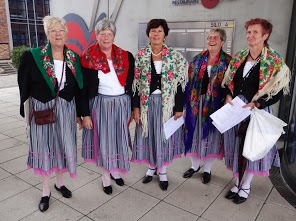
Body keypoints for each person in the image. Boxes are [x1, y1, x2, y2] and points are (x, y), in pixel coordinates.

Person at [18, 16, 83, 212]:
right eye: (53, 31)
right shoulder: (33, 56)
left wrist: (80, 113)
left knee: (62, 146)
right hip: (42, 109)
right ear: (47, 34)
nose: (57, 34)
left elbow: (78, 86)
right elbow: (24, 84)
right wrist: (27, 109)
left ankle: (59, 183)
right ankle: (45, 191)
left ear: (66, 34)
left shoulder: (73, 57)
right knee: (45, 149)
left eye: (61, 30)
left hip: (66, 108)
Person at [221, 18, 290, 204]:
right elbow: (229, 82)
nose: (250, 35)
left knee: (251, 147)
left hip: (257, 110)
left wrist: (257, 103)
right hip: (237, 109)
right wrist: (228, 95)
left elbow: (278, 92)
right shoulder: (240, 56)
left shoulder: (274, 61)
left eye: (255, 32)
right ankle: (237, 182)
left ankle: (246, 186)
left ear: (265, 36)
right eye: (248, 32)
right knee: (237, 147)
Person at [131, 19, 188, 191]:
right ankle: (151, 167)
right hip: (146, 104)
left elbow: (180, 84)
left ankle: (162, 171)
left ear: (165, 35)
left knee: (163, 137)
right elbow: (135, 86)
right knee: (149, 136)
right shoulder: (140, 56)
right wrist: (136, 109)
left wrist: (178, 108)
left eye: (160, 31)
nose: (156, 34)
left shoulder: (175, 57)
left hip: (167, 105)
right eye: (153, 31)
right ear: (148, 34)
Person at [80, 18, 134, 195]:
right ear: (97, 35)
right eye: (102, 34)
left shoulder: (126, 56)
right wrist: (85, 114)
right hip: (100, 105)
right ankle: (105, 177)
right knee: (104, 142)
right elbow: (82, 89)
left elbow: (134, 85)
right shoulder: (87, 58)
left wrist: (134, 109)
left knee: (118, 140)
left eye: (109, 34)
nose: (106, 37)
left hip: (121, 104)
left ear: (114, 36)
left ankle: (115, 171)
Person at [183, 29, 232, 183]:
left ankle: (207, 169)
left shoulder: (229, 61)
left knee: (211, 136)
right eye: (209, 37)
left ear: (222, 42)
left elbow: (231, 85)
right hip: (196, 103)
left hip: (215, 105)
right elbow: (189, 82)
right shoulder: (198, 59)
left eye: (215, 38)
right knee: (195, 132)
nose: (211, 40)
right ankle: (195, 166)